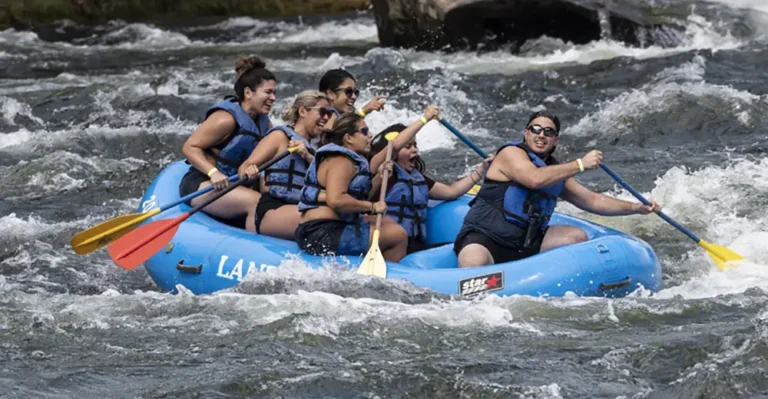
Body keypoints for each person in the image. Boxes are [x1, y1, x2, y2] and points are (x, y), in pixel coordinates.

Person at [454, 110, 662, 268]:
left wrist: (636, 207)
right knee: (474, 260)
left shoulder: (554, 172)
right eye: (535, 129)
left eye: (548, 132)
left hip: (525, 244)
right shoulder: (510, 154)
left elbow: (593, 201)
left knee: (575, 236)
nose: (541, 135)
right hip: (486, 238)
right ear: (526, 134)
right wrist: (580, 164)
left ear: (556, 140)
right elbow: (533, 179)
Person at [368, 106, 495, 254]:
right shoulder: (379, 171)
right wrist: (425, 119)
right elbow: (394, 146)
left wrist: (481, 170)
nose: (414, 150)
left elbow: (451, 192)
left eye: (415, 145)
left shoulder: (416, 178)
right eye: (407, 146)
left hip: (414, 245)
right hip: (390, 244)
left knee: (459, 248)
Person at [179, 56, 276, 232]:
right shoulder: (226, 119)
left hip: (234, 184)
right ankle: (253, 248)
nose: (273, 98)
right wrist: (213, 172)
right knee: (257, 202)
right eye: (268, 92)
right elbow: (189, 147)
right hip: (203, 184)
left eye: (274, 93)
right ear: (248, 93)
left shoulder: (264, 123)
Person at [295, 112, 408, 262]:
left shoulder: (350, 160)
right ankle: (390, 276)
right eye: (365, 131)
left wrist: (379, 177)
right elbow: (336, 200)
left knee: (388, 222)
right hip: (320, 233)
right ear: (348, 138)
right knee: (398, 234)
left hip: (332, 226)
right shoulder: (340, 161)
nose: (370, 135)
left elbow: (357, 197)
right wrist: (372, 207)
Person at [237, 90, 332, 240]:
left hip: (299, 207)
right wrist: (250, 171)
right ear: (302, 111)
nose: (326, 118)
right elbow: (245, 167)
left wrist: (307, 156)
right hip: (274, 208)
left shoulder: (317, 148)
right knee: (327, 217)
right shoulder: (280, 136)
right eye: (322, 112)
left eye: (329, 113)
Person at [318, 69, 386, 129]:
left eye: (355, 92)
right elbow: (335, 131)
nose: (354, 96)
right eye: (348, 91)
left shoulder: (336, 116)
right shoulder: (328, 115)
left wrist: (365, 110)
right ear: (330, 94)